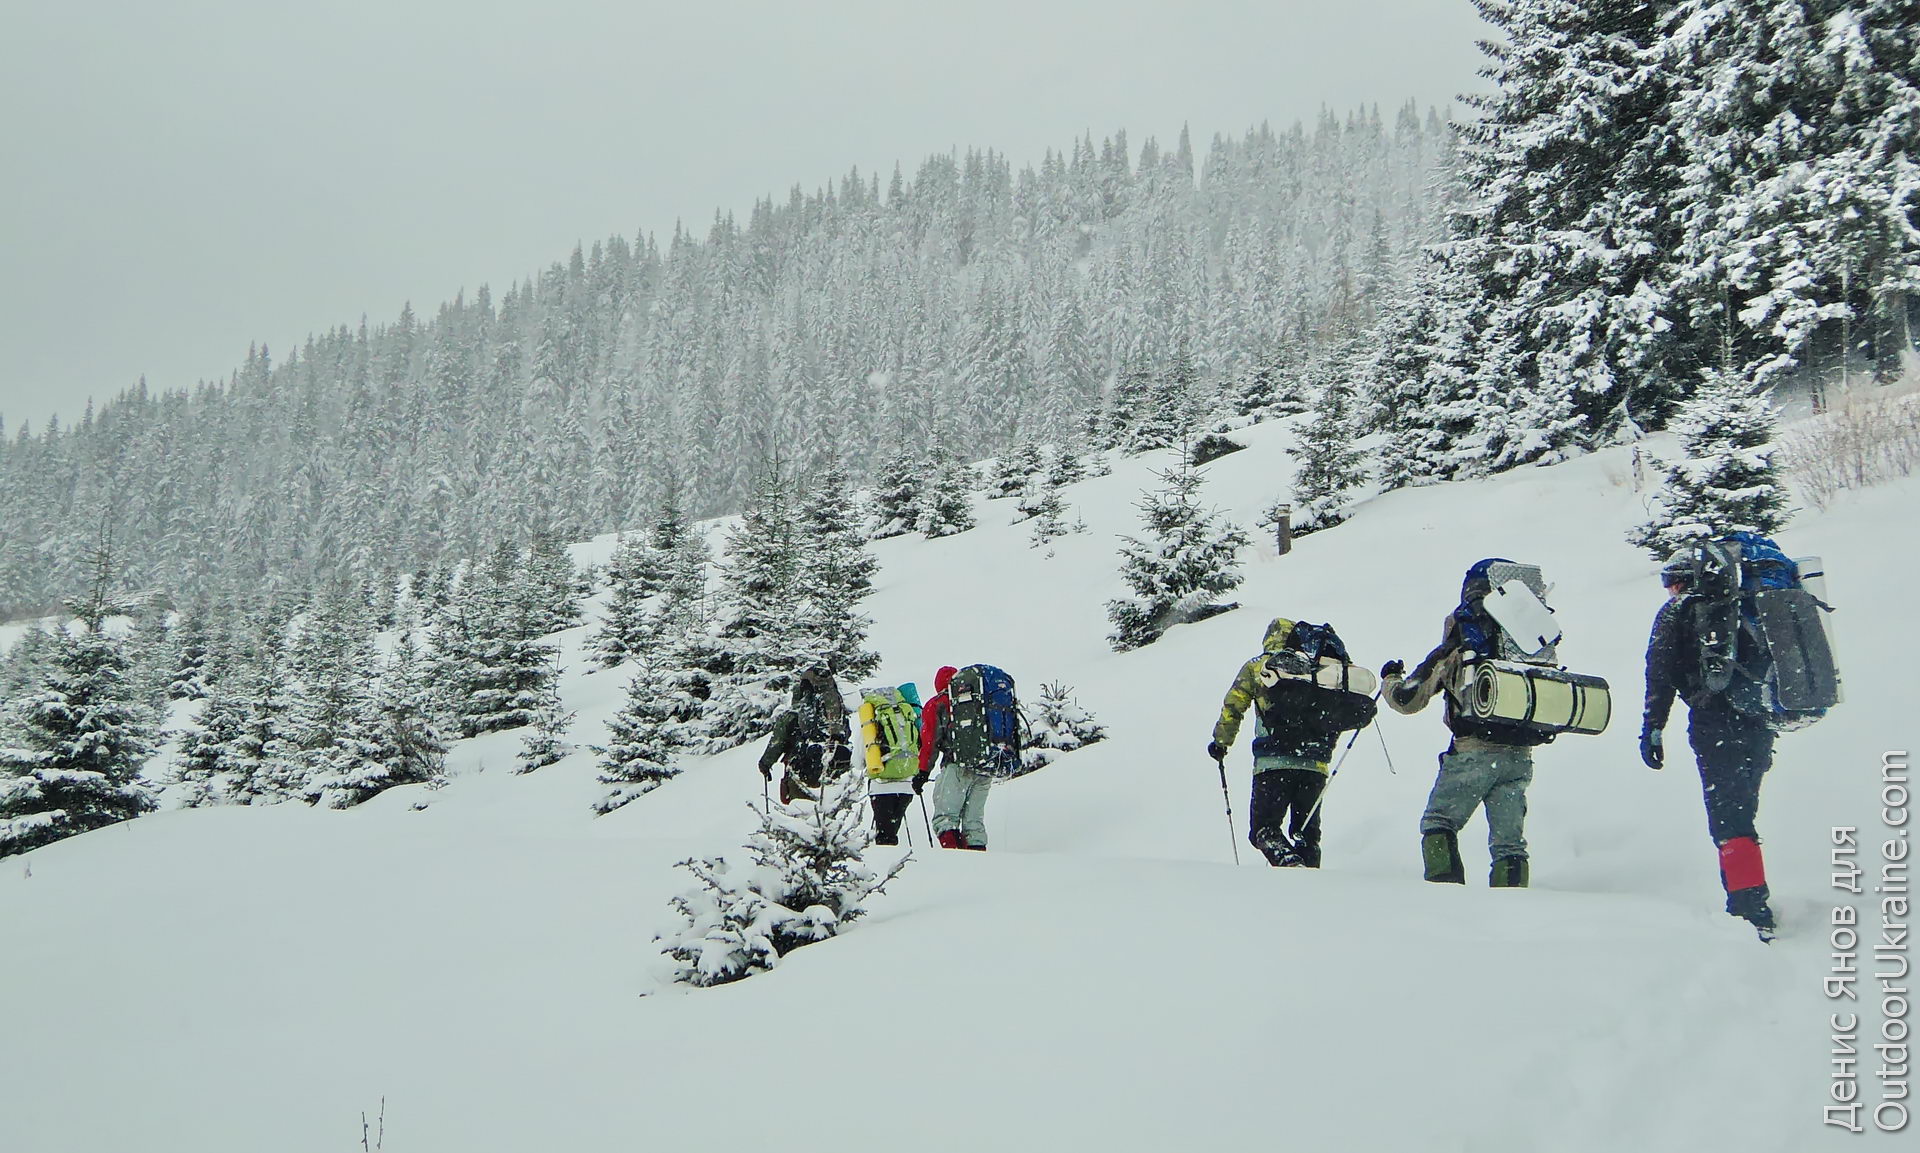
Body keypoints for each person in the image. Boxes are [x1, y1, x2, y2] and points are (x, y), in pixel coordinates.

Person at [1381, 561, 1552, 888]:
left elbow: (1408, 699)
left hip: (1474, 750)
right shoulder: (1530, 645)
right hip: (1520, 754)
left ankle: (1447, 898)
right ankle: (1515, 900)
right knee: (1510, 844)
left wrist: (1390, 678)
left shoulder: (1463, 642)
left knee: (1438, 822)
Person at [1639, 547, 1777, 936]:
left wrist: (1653, 728)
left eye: (1671, 583)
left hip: (1715, 725)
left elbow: (1659, 674)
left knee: (1729, 819)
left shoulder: (1676, 612)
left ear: (1681, 581)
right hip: (1759, 722)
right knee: (1742, 812)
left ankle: (1750, 908)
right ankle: (1750, 895)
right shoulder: (1743, 605)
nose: (1669, 591)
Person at [1208, 617, 1367, 867]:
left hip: (1273, 762)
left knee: (1264, 830)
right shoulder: (1317, 668)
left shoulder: (1259, 666)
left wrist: (1221, 743)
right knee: (1307, 835)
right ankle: (1309, 879)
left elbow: (1233, 706)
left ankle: (1290, 865)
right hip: (1316, 763)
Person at [757, 665, 852, 805]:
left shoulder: (794, 714)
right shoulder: (837, 708)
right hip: (837, 775)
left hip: (803, 773)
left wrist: (765, 764)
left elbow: (777, 742)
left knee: (800, 811)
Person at [918, 665, 986, 850]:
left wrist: (923, 772)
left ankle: (954, 860)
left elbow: (930, 741)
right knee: (974, 823)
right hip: (984, 766)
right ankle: (980, 860)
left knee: (945, 819)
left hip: (956, 765)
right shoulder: (978, 698)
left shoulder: (938, 703)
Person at [865, 682, 923, 846]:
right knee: (891, 830)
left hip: (881, 784)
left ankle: (887, 858)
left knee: (884, 835)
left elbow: (859, 759)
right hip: (906, 783)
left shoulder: (870, 722)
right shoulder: (906, 715)